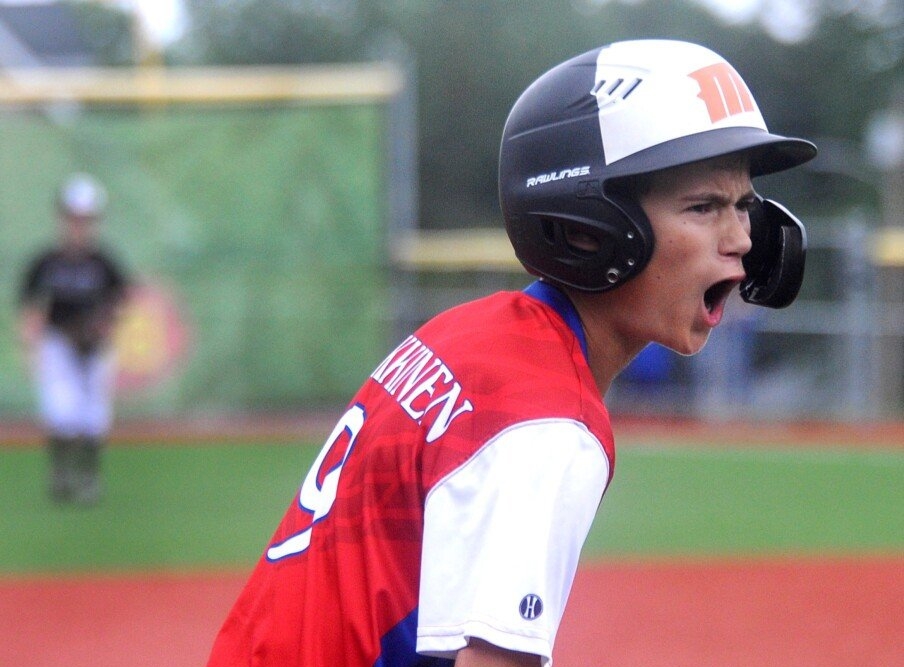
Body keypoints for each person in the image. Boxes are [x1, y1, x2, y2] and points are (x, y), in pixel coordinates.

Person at [207, 39, 816, 666]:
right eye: (704, 206)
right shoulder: (546, 425)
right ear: (587, 227)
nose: (742, 237)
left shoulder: (471, 334)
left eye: (744, 205)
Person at [18, 173, 131, 506]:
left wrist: (105, 326)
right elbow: (29, 305)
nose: (79, 226)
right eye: (74, 218)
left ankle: (88, 477)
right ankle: (61, 474)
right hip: (59, 345)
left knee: (94, 417)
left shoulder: (104, 263)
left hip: (95, 349)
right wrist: (29, 346)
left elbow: (122, 300)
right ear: (63, 219)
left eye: (86, 219)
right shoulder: (47, 262)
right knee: (62, 414)